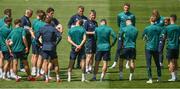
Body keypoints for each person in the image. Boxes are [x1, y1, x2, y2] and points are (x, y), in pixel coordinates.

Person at [35, 16, 62, 83]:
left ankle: (46, 78)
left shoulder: (42, 28)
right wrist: (56, 44)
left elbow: (36, 38)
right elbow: (60, 37)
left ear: (45, 21)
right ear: (51, 22)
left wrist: (40, 44)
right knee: (55, 63)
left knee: (45, 63)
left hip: (44, 47)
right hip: (52, 47)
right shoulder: (53, 28)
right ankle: (58, 78)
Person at [110, 3, 136, 69]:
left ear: (129, 8)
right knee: (118, 48)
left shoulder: (132, 16)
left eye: (127, 8)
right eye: (125, 7)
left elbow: (133, 25)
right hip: (121, 33)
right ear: (123, 8)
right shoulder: (119, 15)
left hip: (128, 35)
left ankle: (127, 63)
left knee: (127, 48)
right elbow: (118, 24)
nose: (126, 9)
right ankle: (115, 63)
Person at [45, 7, 63, 79]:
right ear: (48, 13)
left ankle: (47, 76)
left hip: (47, 44)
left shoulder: (54, 20)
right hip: (51, 44)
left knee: (49, 61)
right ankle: (57, 77)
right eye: (51, 13)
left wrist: (60, 29)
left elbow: (60, 25)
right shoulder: (46, 20)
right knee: (53, 61)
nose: (52, 14)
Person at [142, 16, 162, 83]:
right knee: (157, 63)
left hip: (148, 48)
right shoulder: (159, 28)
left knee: (148, 64)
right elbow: (161, 36)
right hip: (156, 47)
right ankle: (159, 77)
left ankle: (150, 79)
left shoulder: (147, 28)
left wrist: (146, 38)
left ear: (150, 20)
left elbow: (143, 37)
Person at [162, 14, 180, 81]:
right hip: (176, 46)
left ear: (170, 19)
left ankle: (173, 77)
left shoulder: (167, 28)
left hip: (170, 46)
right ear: (175, 19)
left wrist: (166, 38)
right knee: (175, 61)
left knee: (170, 62)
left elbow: (163, 37)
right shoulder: (178, 27)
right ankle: (176, 76)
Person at [31, 10, 46, 76]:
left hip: (34, 40)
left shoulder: (34, 22)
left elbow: (31, 30)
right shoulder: (44, 24)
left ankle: (33, 70)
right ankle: (39, 71)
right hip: (41, 42)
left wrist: (34, 37)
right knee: (40, 57)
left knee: (34, 55)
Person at [0, 9, 12, 78]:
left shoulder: (1, 21)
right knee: (8, 60)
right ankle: (6, 74)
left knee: (1, 58)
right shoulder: (8, 27)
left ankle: (1, 73)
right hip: (6, 45)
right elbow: (9, 37)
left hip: (1, 43)